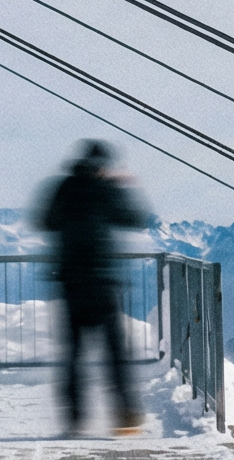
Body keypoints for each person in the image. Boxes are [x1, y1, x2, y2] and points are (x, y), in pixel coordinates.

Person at [37, 140, 153, 437]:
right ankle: (125, 415)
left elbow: (45, 221)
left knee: (72, 353)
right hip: (102, 281)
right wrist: (124, 186)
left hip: (70, 281)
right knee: (114, 352)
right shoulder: (107, 189)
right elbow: (137, 218)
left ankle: (74, 419)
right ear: (104, 165)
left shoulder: (62, 188)